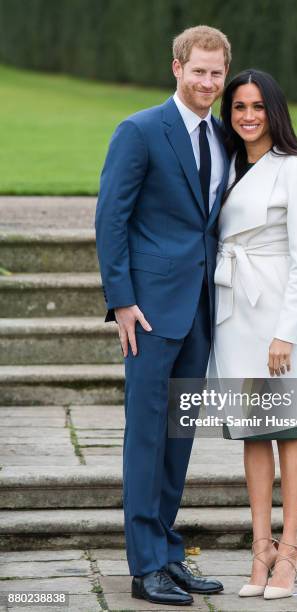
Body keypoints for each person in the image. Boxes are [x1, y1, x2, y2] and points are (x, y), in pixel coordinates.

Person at [95, 25, 230, 607]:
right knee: (147, 435)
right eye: (198, 70)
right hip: (148, 313)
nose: (207, 82)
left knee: (179, 436)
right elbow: (110, 219)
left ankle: (169, 553)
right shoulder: (141, 130)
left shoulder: (223, 136)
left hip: (202, 309)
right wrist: (121, 299)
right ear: (176, 67)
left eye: (216, 73)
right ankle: (144, 564)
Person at [211, 69, 297, 600]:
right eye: (238, 107)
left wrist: (286, 333)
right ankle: (259, 551)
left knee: (289, 429)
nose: (248, 116)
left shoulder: (296, 171)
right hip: (236, 311)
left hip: (280, 313)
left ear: (274, 110)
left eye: (258, 106)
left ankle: (289, 551)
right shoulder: (227, 163)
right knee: (252, 432)